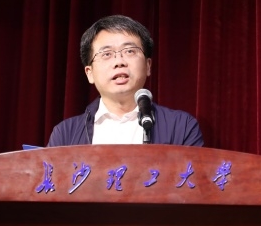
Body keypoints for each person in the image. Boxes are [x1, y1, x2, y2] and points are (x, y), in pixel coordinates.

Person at [47, 15, 203, 147]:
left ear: (148, 66)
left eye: (129, 51)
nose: (119, 62)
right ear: (90, 73)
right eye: (107, 54)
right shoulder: (65, 135)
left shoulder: (181, 126)